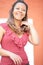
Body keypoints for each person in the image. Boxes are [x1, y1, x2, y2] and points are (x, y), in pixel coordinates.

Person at [0, 0, 39, 65]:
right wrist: (10, 54)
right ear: (12, 11)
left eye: (23, 10)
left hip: (25, 63)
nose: (20, 11)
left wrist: (31, 26)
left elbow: (36, 42)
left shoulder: (26, 29)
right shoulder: (2, 27)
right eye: (17, 8)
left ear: (25, 14)